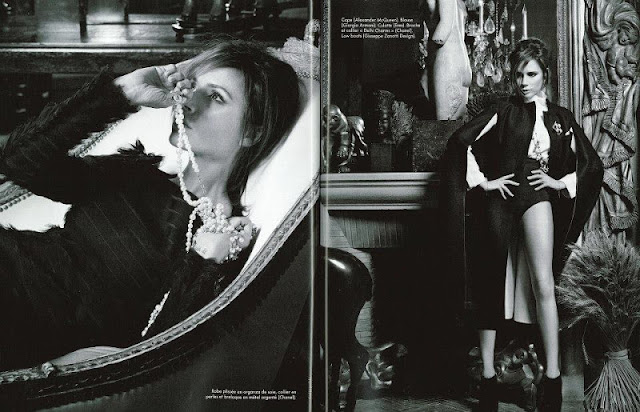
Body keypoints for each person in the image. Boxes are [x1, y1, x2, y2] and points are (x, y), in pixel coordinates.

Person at [0, 37, 301, 371]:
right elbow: (19, 162)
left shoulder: (220, 240)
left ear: (252, 132)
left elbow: (164, 357)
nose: (188, 103)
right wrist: (122, 93)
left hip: (22, 325)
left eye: (216, 97)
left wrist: (206, 260)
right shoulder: (136, 172)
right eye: (192, 87)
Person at [440, 38, 603, 411]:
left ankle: (552, 378)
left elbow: (590, 165)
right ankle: (487, 377)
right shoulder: (502, 111)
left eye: (531, 74)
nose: (524, 82)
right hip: (501, 199)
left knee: (544, 283)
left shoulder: (560, 118)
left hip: (536, 197)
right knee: (489, 282)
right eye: (518, 75)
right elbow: (459, 143)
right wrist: (484, 183)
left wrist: (559, 183)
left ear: (545, 75)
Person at [426, 0, 472, 120]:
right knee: (458, 125)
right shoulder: (460, 2)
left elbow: (442, 32)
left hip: (448, 61)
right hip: (462, 61)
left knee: (444, 125)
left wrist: (426, 46)